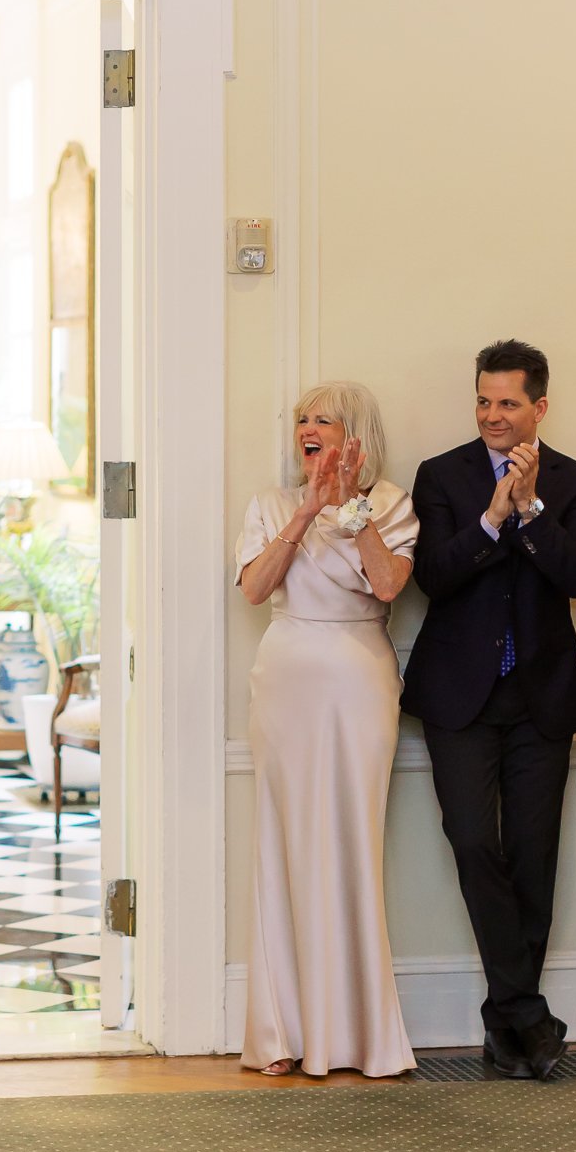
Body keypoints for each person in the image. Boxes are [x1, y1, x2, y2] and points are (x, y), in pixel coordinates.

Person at [402, 339, 576, 1081]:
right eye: (483, 401)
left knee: (533, 856)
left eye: (507, 403)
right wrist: (490, 517)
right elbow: (430, 579)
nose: (491, 415)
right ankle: (523, 1015)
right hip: (459, 695)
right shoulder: (441, 476)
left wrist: (530, 509)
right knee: (470, 843)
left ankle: (507, 1027)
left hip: (540, 699)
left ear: (538, 407)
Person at [235, 382, 418, 1078]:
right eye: (300, 420)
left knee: (351, 845)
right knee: (282, 844)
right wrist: (306, 510)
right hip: (284, 679)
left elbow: (387, 585)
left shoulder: (391, 502)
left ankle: (358, 1035)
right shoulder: (269, 503)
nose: (307, 429)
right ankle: (281, 1030)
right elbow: (255, 590)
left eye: (323, 420)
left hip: (359, 681)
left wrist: (348, 512)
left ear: (355, 434)